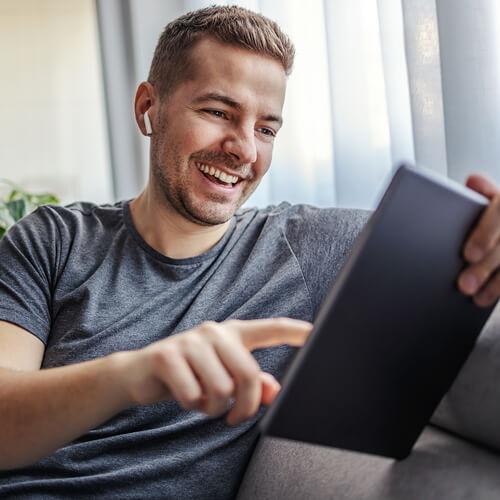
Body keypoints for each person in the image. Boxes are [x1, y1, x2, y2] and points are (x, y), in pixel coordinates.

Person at [0, 5, 499, 499]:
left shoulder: (306, 248)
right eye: (218, 112)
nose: (244, 150)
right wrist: (136, 372)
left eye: (266, 129)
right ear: (148, 108)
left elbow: (461, 245)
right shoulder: (53, 239)